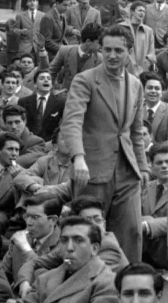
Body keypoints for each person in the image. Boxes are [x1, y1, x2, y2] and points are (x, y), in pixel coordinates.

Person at [61, 25, 150, 265]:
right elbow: (72, 122)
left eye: (118, 50)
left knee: (132, 233)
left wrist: (142, 168)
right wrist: (78, 157)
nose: (112, 55)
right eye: (107, 49)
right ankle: (89, 290)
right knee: (88, 235)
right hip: (92, 171)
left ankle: (130, 287)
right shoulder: (85, 80)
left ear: (129, 52)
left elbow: (136, 132)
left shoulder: (135, 84)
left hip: (126, 171)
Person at [2, 216, 120, 303]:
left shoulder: (107, 282)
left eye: (78, 240)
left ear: (94, 249)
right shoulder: (46, 278)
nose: (69, 247)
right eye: (64, 240)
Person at [1, 195, 62, 289]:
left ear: (53, 220)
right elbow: (3, 276)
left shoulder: (64, 245)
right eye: (27, 216)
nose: (29, 223)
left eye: (35, 217)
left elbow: (43, 283)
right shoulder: (21, 239)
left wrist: (26, 250)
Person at [140, 144, 168, 270]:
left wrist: (148, 225)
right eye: (159, 163)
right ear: (152, 167)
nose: (164, 166)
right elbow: (131, 213)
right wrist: (142, 219)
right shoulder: (144, 187)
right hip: (141, 253)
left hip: (167, 254)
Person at [48, 22, 103, 92]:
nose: (101, 46)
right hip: (64, 98)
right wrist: (52, 91)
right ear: (88, 41)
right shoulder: (65, 50)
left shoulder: (99, 59)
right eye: (99, 43)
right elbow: (51, 72)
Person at [142, 72, 168, 144]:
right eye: (149, 88)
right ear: (143, 91)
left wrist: (152, 149)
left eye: (157, 89)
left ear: (162, 92)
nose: (153, 91)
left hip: (161, 153)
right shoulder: (136, 110)